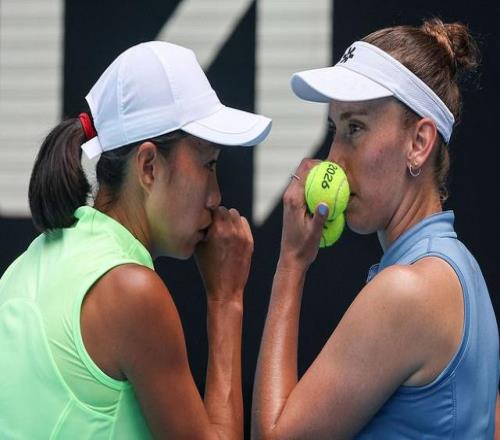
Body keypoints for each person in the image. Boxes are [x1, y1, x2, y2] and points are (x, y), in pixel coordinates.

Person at [0, 41, 271, 439]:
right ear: (148, 167)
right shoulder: (132, 291)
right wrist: (226, 298)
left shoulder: (25, 266)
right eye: (208, 164)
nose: (215, 197)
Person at [252, 19, 499, 438]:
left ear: (418, 143)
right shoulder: (462, 272)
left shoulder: (408, 290)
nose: (333, 158)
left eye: (356, 128)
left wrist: (291, 264)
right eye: (335, 129)